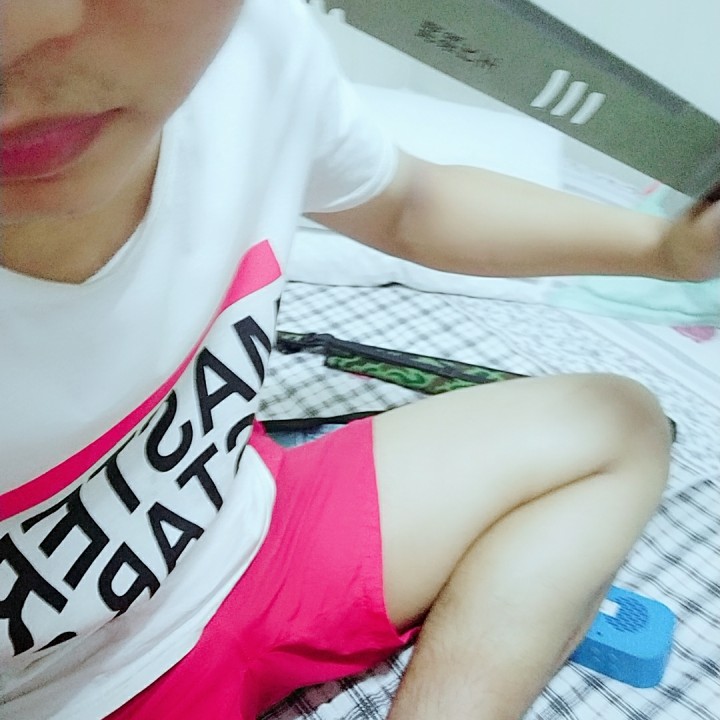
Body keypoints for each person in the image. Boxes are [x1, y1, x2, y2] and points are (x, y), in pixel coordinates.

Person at [1, 1, 718, 718]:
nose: (28, 28)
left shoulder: (254, 49)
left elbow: (408, 202)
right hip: (52, 694)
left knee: (614, 421)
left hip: (248, 540)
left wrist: (667, 252)